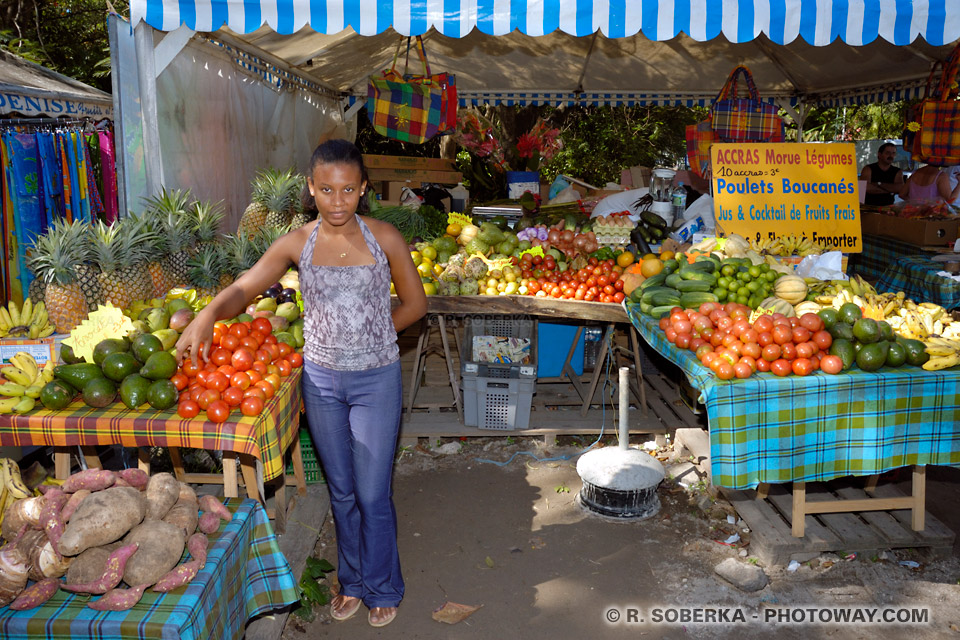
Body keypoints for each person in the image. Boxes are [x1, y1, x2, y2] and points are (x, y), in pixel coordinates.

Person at [175, 139, 427, 628]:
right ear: (311, 189)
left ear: (364, 190)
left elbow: (416, 305)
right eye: (327, 189)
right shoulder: (298, 242)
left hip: (376, 380)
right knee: (342, 491)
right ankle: (352, 581)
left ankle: (383, 585)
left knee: (373, 493)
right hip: (323, 383)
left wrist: (372, 334)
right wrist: (207, 313)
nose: (338, 200)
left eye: (348, 190)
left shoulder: (385, 238)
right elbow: (247, 286)